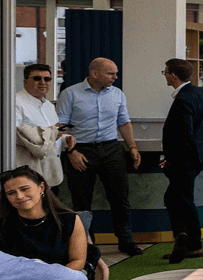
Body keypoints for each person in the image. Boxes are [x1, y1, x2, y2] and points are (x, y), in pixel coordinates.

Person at [56, 57, 143, 256]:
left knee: (120, 198)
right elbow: (60, 127)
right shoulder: (70, 94)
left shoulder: (117, 94)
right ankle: (87, 243)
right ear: (95, 74)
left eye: (115, 73)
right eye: (110, 73)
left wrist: (133, 147)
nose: (115, 77)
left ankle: (125, 240)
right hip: (80, 151)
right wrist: (71, 152)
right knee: (82, 201)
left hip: (111, 149)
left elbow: (123, 122)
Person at [0, 166, 107, 280]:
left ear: (41, 188)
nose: (19, 196)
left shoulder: (69, 220)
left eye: (24, 189)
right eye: (11, 193)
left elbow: (77, 261)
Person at [159, 58, 203, 263]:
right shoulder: (201, 93)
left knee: (183, 199)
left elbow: (183, 135)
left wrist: (170, 162)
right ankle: (184, 236)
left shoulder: (183, 99)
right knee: (174, 198)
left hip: (184, 160)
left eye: (165, 72)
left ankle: (192, 243)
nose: (164, 75)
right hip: (199, 156)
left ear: (173, 75)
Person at [13, 63, 74, 189]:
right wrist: (52, 132)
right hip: (28, 171)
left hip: (50, 170)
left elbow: (53, 133)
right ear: (25, 81)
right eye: (37, 78)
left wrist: (64, 139)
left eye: (47, 79)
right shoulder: (15, 102)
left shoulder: (48, 105)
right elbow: (15, 134)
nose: (43, 82)